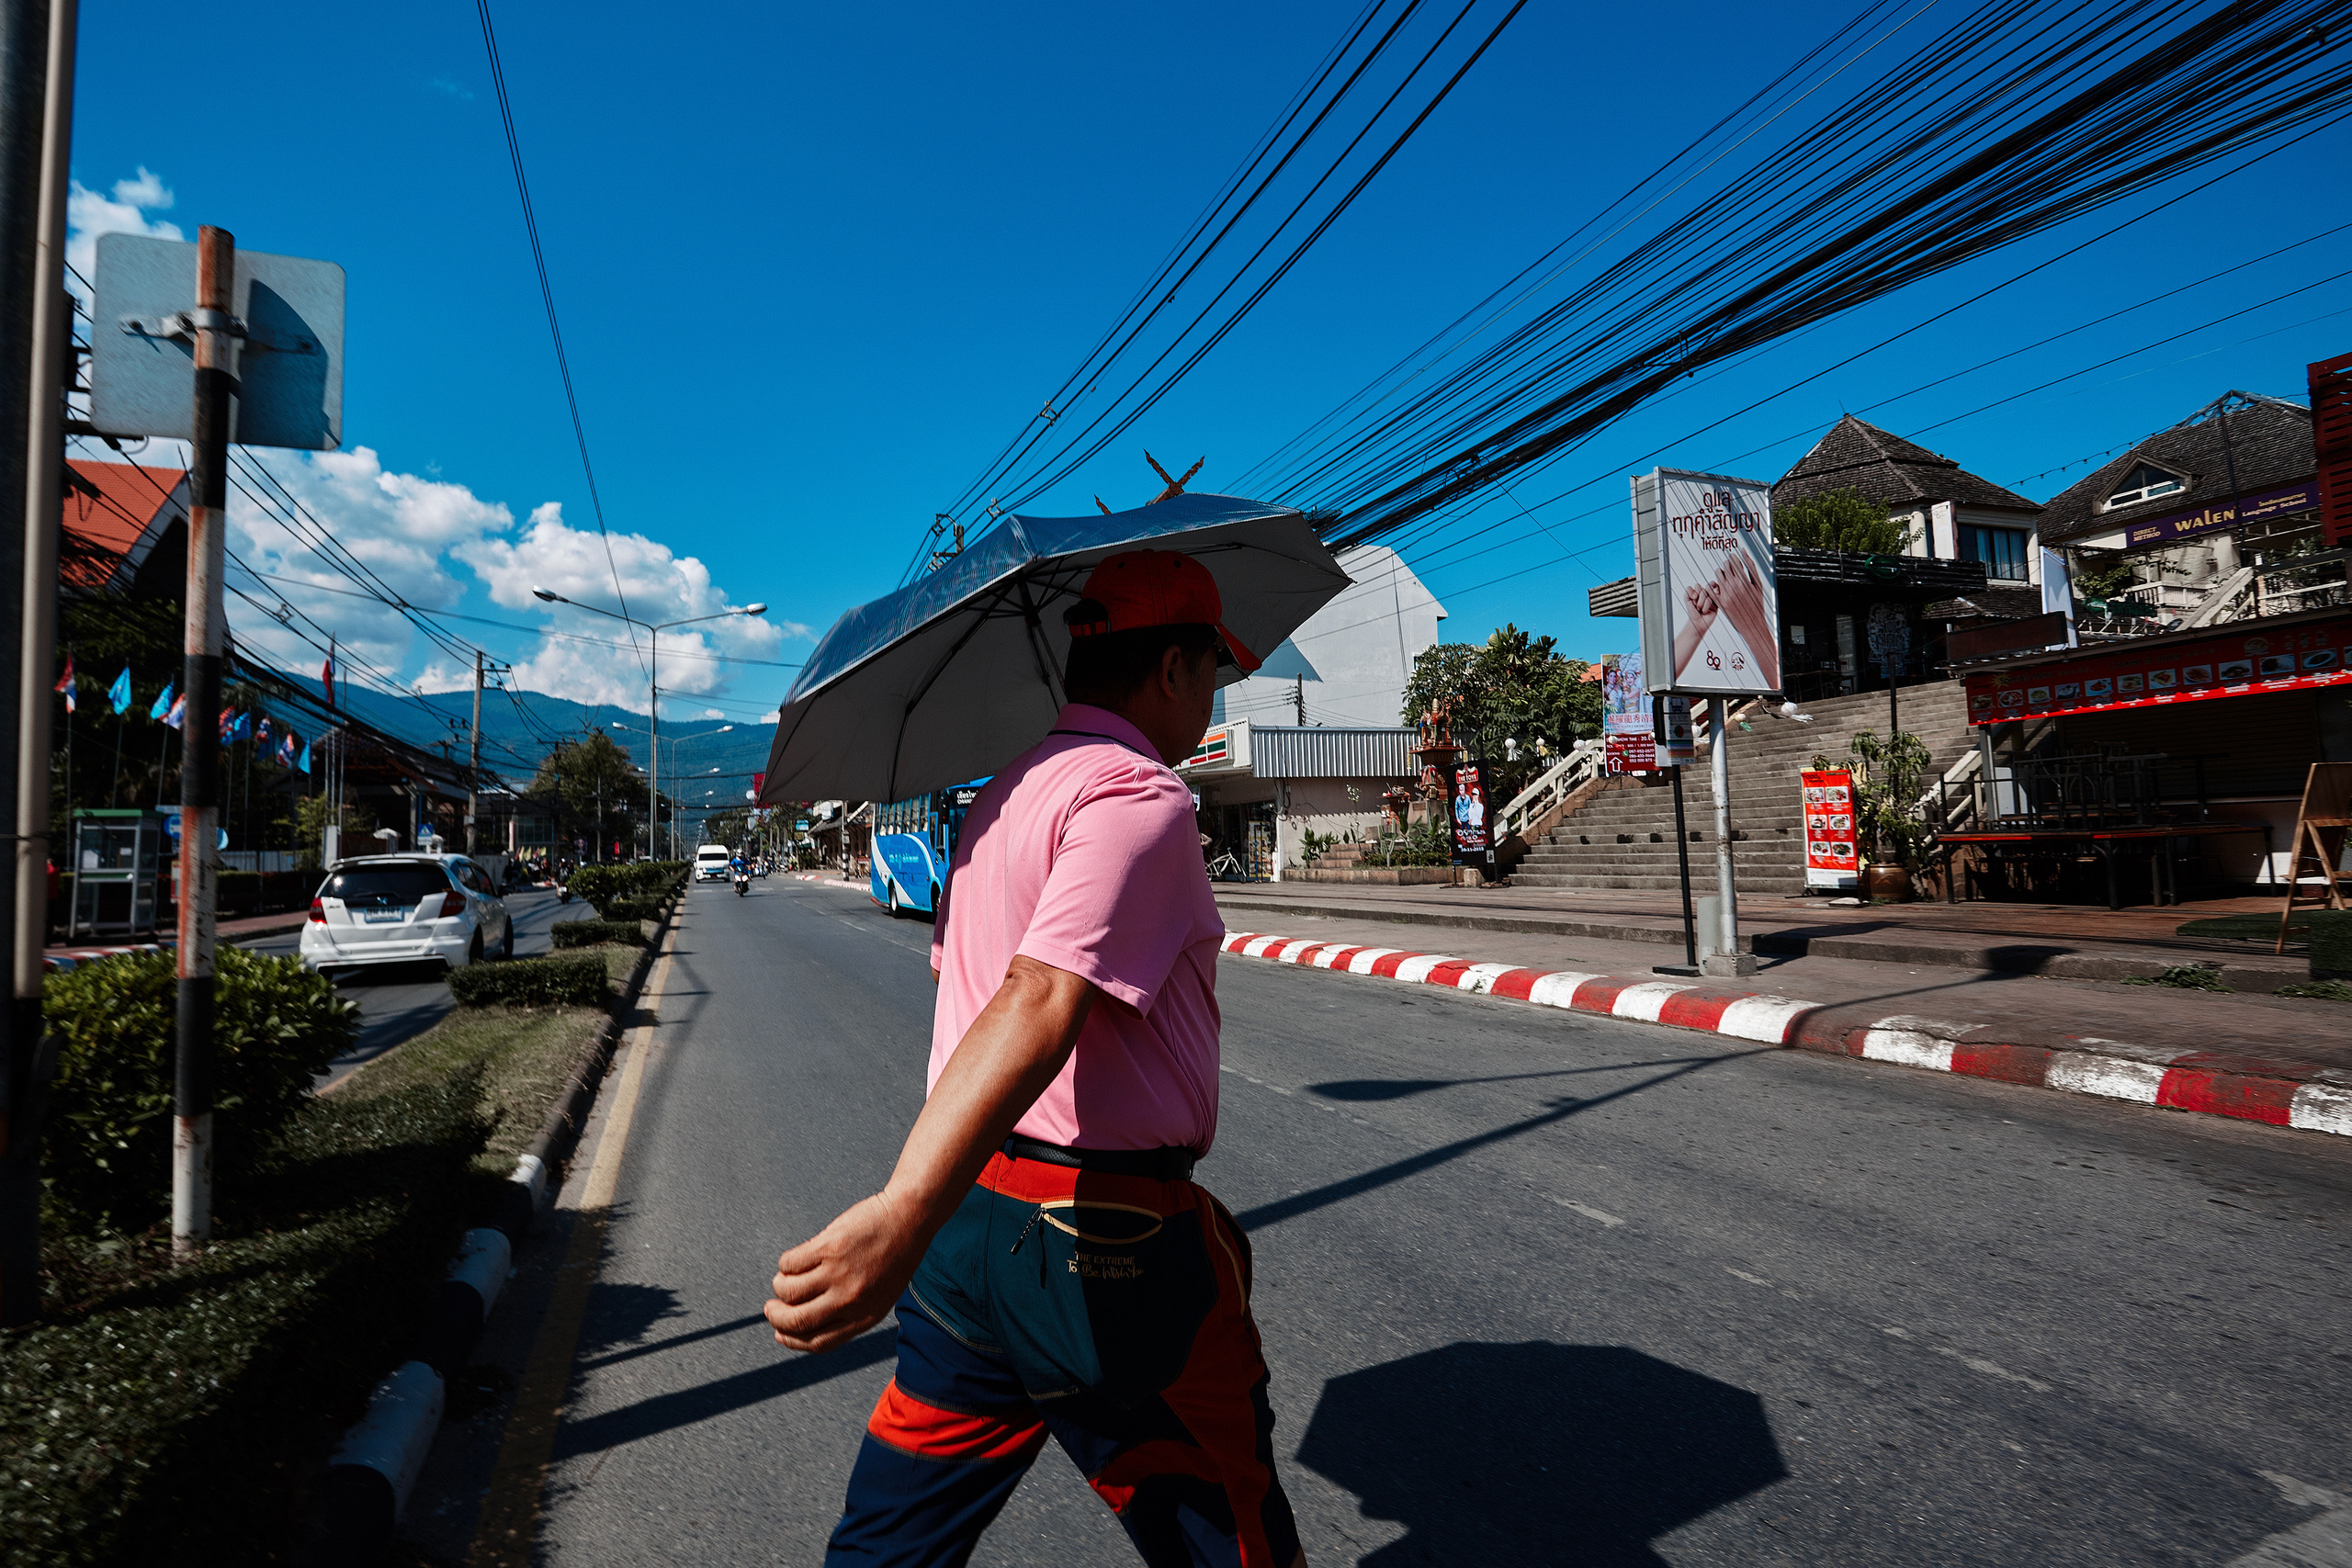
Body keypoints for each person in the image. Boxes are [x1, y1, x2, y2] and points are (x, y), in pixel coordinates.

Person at [765, 548, 1306, 1568]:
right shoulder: (1137, 796)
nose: (1213, 697)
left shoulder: (1001, 797)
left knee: (890, 1542)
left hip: (969, 1230)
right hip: (1104, 1239)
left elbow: (963, 986)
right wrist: (898, 1211)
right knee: (1224, 1527)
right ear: (1175, 669)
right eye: (1215, 672)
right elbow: (1038, 995)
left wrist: (924, 1215)